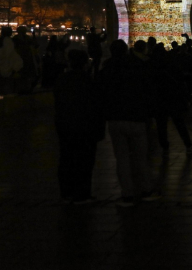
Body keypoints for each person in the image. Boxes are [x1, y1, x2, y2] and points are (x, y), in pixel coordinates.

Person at [99, 39, 161, 206]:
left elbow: (101, 95)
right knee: (141, 157)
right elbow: (148, 90)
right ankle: (146, 190)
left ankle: (127, 194)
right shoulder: (137, 67)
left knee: (122, 158)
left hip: (115, 118)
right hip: (136, 117)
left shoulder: (106, 69)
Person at [54, 49, 103, 204]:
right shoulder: (88, 81)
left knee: (66, 159)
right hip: (85, 127)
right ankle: (82, 193)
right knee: (84, 161)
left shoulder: (62, 79)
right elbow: (95, 105)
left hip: (65, 125)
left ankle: (66, 192)